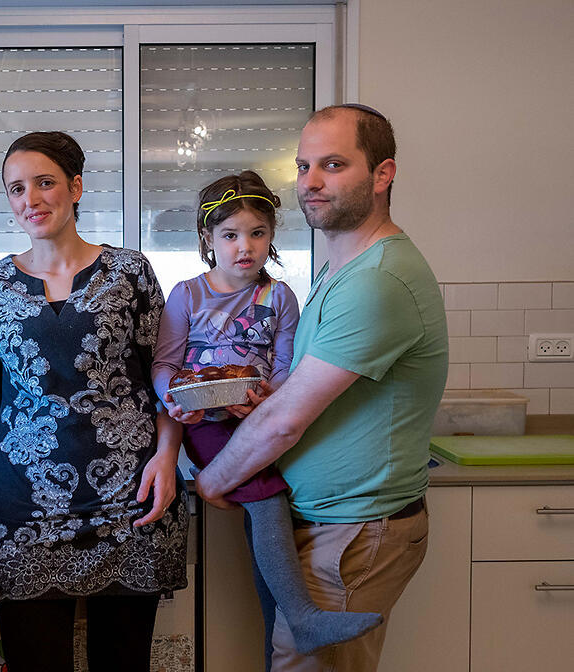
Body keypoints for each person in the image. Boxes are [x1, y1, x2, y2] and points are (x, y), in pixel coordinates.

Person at [0, 131, 189, 672]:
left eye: (44, 183)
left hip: (129, 502)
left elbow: (165, 380)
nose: (30, 199)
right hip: (26, 509)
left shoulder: (131, 272)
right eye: (15, 189)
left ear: (75, 188)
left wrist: (168, 457)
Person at [195, 105, 449, 672]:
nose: (310, 182)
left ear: (382, 174)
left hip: (353, 534)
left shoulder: (378, 280)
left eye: (333, 165)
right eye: (303, 165)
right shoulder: (342, 271)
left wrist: (214, 478)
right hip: (329, 526)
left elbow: (287, 419)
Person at [152, 170, 383, 659]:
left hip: (256, 419)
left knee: (265, 518)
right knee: (267, 499)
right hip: (205, 426)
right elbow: (166, 364)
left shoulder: (279, 297)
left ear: (272, 237)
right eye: (231, 235)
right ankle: (303, 617)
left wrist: (264, 396)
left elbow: (285, 367)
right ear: (208, 239)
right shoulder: (187, 294)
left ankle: (282, 629)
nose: (245, 247)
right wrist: (172, 396)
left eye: (257, 234)